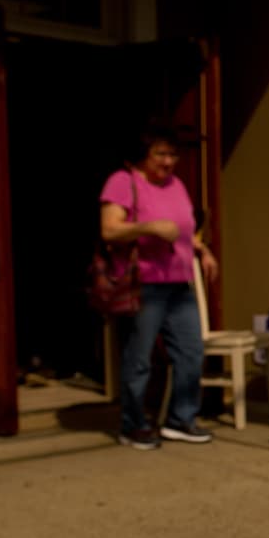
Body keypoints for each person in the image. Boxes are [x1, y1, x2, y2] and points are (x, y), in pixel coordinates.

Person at [99, 123, 219, 450]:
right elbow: (109, 230)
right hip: (144, 285)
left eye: (173, 155)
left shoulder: (176, 185)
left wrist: (202, 250)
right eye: (160, 154)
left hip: (179, 284)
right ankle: (133, 424)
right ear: (144, 154)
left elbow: (184, 230)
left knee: (191, 352)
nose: (168, 162)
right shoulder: (123, 182)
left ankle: (181, 419)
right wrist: (149, 227)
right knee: (139, 359)